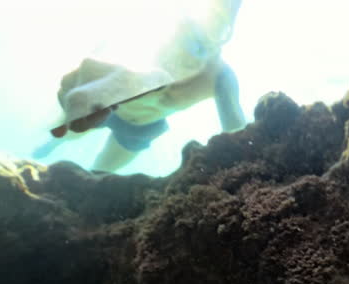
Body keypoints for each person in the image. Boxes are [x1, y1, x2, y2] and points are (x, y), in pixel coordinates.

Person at [32, 0, 246, 172]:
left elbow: (240, 136)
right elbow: (99, 59)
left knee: (100, 175)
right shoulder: (150, 36)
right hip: (109, 108)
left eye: (216, 28)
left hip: (140, 128)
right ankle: (53, 142)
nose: (197, 41)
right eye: (194, 24)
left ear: (228, 32)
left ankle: (59, 144)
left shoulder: (221, 78)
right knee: (70, 130)